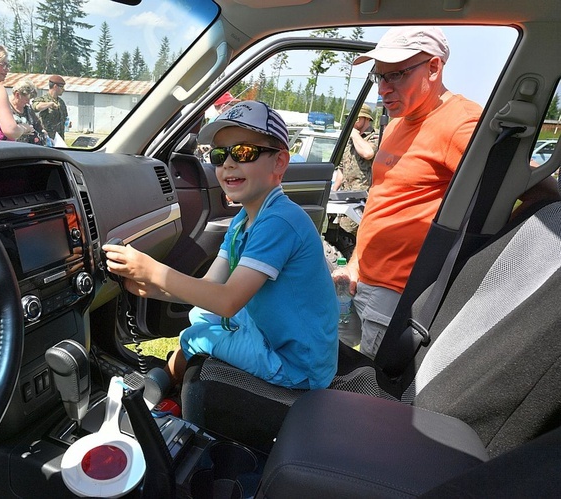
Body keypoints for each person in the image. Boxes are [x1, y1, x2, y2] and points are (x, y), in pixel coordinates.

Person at [104, 100, 338, 390]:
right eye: (219, 154)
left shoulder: (280, 221)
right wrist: (153, 288)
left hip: (297, 364)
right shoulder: (244, 220)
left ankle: (161, 393)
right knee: (201, 314)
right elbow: (210, 286)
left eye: (243, 152)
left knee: (194, 337)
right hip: (275, 334)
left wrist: (153, 271)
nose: (228, 163)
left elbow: (227, 301)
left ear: (279, 161)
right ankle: (172, 379)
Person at [333, 27, 483, 357]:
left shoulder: (462, 123)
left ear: (434, 67)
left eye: (396, 75)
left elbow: (521, 186)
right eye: (379, 77)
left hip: (397, 293)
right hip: (360, 278)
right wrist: (355, 264)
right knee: (333, 366)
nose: (384, 89)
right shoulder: (399, 121)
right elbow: (383, 198)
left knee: (371, 390)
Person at [332, 103, 379, 234]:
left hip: (363, 199)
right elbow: (342, 168)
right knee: (339, 233)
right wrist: (333, 192)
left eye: (356, 118)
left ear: (366, 119)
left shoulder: (375, 137)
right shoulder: (351, 140)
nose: (352, 121)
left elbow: (368, 153)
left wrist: (354, 134)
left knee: (349, 233)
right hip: (345, 197)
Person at [9, 79, 49, 146]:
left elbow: (37, 126)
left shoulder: (28, 108)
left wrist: (43, 132)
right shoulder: (5, 107)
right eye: (27, 99)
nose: (28, 102)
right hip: (10, 147)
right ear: (17, 95)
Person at [32, 75, 68, 142]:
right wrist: (49, 104)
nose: (63, 89)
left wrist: (67, 122)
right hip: (47, 139)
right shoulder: (43, 99)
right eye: (62, 87)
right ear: (55, 86)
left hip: (59, 139)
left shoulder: (61, 102)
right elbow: (36, 107)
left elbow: (65, 117)